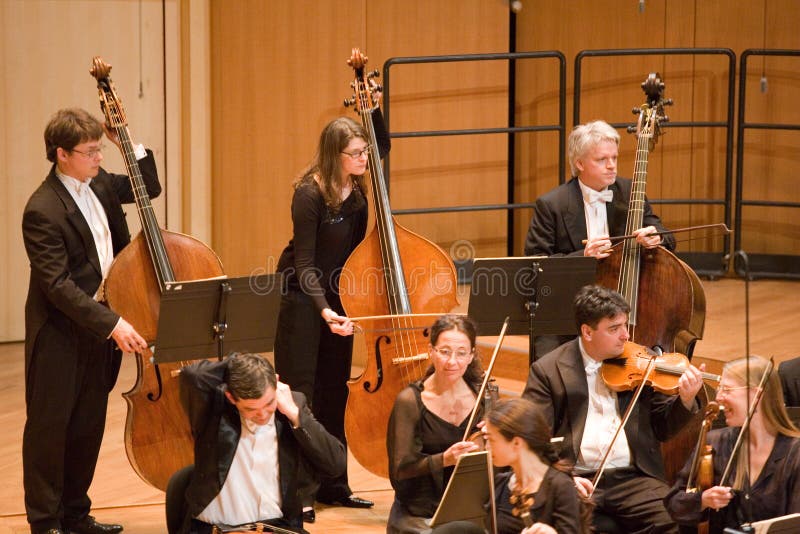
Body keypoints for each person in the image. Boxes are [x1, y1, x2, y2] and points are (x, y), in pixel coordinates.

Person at [22, 108, 160, 534]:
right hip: (61, 334)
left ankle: (76, 515)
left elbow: (148, 188)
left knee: (87, 425)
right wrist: (112, 324)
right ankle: (46, 523)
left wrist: (126, 143)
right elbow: (58, 285)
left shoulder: (98, 182)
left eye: (100, 149)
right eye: (90, 151)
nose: (99, 158)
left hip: (101, 327)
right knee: (51, 429)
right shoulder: (43, 209)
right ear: (62, 155)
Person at [273, 107, 390, 519]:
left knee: (334, 392)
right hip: (302, 301)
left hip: (336, 301)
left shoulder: (357, 194)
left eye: (363, 152)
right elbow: (305, 264)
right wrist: (324, 310)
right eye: (356, 153)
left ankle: (334, 485)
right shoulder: (309, 194)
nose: (363, 159)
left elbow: (352, 258)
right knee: (300, 396)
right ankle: (300, 491)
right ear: (334, 155)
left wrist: (373, 108)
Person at [523, 284, 705, 534]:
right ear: (587, 332)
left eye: (625, 325)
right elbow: (534, 437)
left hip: (632, 479)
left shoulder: (643, 361)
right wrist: (563, 479)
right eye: (614, 328)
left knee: (673, 521)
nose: (625, 336)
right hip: (577, 479)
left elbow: (663, 428)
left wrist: (685, 400)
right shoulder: (547, 371)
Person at [523, 120, 675, 360]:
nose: (611, 166)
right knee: (548, 365)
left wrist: (656, 237)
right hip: (570, 309)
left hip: (627, 305)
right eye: (602, 160)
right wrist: (581, 258)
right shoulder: (552, 205)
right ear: (579, 163)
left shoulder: (630, 191)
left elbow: (665, 234)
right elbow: (534, 265)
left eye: (614, 158)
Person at [165, 353, 347, 534]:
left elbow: (335, 465)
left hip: (278, 527)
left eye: (269, 404)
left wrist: (295, 415)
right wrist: (242, 363)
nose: (262, 415)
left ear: (277, 384)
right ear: (231, 397)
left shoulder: (292, 405)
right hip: (218, 529)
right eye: (250, 409)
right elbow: (192, 375)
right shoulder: (213, 409)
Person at [665, 356, 800, 533]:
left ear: (756, 395)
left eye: (727, 390)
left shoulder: (795, 454)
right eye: (720, 389)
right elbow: (674, 503)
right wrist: (703, 500)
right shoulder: (714, 443)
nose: (718, 397)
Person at [386, 314, 491, 534]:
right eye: (444, 352)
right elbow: (400, 470)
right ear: (431, 351)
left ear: (471, 355)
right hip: (420, 513)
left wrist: (496, 440)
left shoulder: (484, 396)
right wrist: (445, 459)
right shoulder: (410, 400)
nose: (452, 362)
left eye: (461, 353)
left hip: (468, 508)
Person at [486, 397, 587, 534]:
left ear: (516, 443)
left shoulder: (560, 486)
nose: (487, 447)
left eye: (491, 440)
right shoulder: (502, 483)